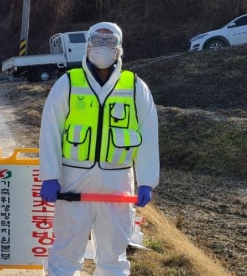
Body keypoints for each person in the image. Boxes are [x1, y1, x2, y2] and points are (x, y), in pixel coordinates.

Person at [38, 22, 159, 276]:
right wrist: (50, 176)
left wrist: (147, 181)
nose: (103, 47)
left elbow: (148, 136)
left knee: (113, 255)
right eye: (97, 40)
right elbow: (50, 130)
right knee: (65, 252)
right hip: (73, 181)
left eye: (110, 41)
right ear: (88, 45)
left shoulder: (135, 87)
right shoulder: (68, 83)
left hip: (117, 182)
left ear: (120, 48)